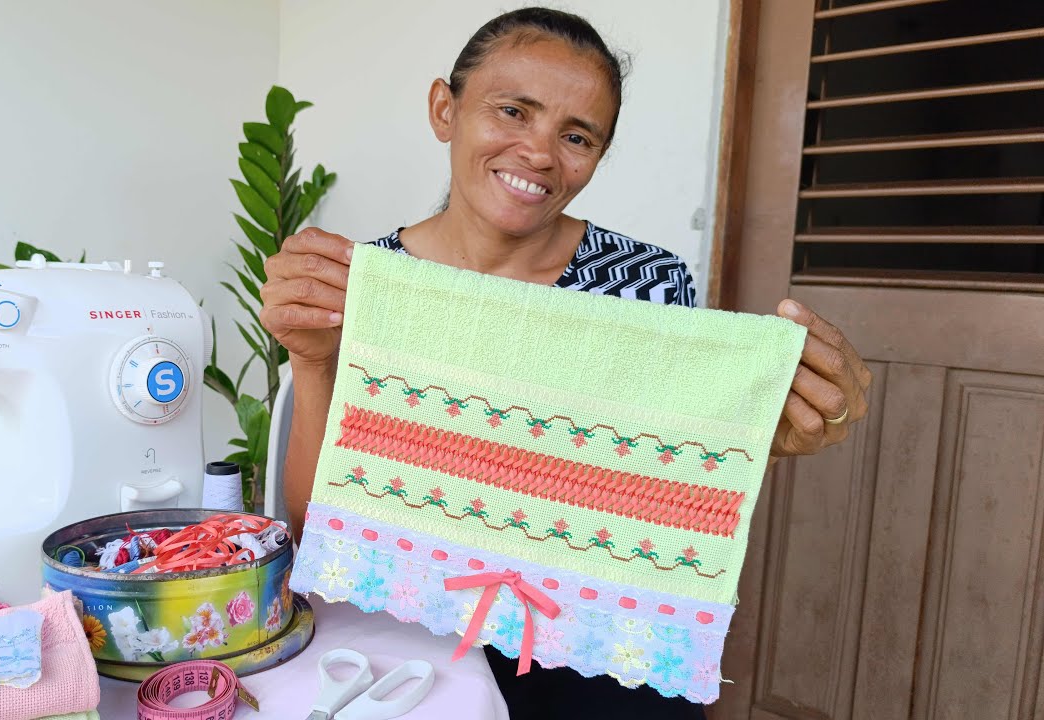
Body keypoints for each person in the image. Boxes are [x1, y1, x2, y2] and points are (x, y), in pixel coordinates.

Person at [259, 7, 871, 719]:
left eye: (576, 136)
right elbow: (321, 530)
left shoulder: (644, 285)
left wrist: (767, 436)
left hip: (596, 655)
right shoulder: (366, 287)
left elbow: (665, 493)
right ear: (444, 109)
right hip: (415, 646)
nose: (541, 153)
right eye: (513, 110)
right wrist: (311, 362)